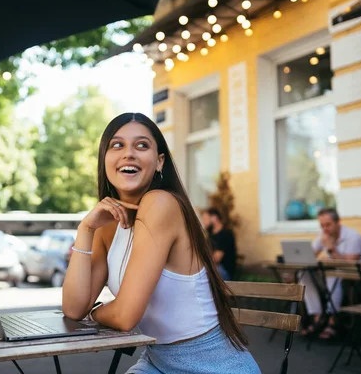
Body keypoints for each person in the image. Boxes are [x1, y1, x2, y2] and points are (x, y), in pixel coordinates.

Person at [62, 113, 259, 373]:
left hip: (214, 365)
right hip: (157, 362)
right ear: (105, 159)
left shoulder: (161, 203)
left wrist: (94, 313)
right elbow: (74, 307)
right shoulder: (107, 224)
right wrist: (85, 229)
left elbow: (124, 316)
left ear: (159, 161)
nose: (128, 154)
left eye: (141, 145)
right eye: (117, 145)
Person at [299, 207, 361, 340]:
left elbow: (351, 265)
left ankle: (333, 321)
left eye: (328, 225)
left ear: (337, 222)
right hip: (331, 277)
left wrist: (331, 249)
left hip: (354, 279)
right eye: (322, 225)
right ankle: (317, 317)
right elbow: (309, 256)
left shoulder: (353, 236)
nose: (325, 229)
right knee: (303, 274)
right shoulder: (323, 236)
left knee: (332, 274)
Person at [206, 208, 237, 281]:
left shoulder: (226, 234)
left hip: (224, 271)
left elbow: (216, 259)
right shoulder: (210, 234)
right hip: (214, 268)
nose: (203, 221)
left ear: (214, 218)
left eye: (205, 218)